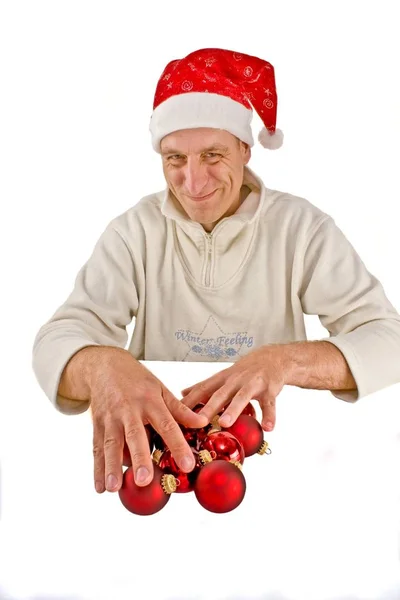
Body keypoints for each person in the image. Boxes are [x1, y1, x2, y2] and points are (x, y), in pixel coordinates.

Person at [32, 47, 400, 496]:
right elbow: (56, 340)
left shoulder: (302, 229)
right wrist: (103, 364)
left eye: (212, 155)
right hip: (162, 469)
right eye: (174, 159)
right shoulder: (134, 233)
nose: (193, 181)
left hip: (277, 469)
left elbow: (388, 339)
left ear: (245, 149)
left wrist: (283, 360)